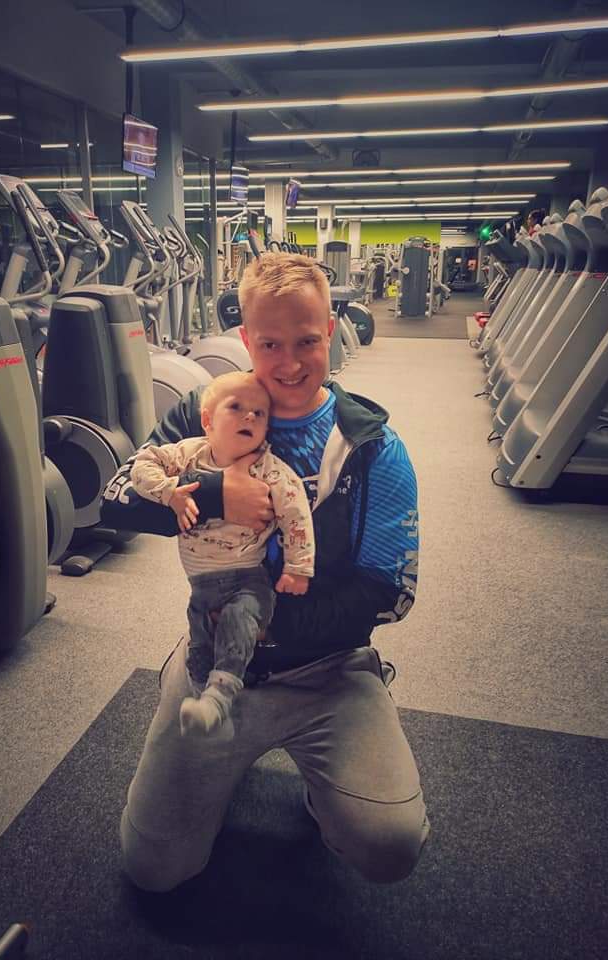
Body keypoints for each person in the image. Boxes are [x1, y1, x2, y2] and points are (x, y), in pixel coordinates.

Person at [101, 252, 429, 890]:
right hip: (213, 661)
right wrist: (216, 494)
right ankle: (203, 715)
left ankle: (326, 786)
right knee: (154, 870)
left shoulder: (373, 447)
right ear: (246, 340)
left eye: (306, 341)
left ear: (330, 331)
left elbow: (389, 593)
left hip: (328, 671)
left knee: (390, 845)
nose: (289, 362)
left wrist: (262, 626)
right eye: (270, 344)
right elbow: (115, 500)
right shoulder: (204, 411)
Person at [128, 371, 314, 739]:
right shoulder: (188, 454)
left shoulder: (269, 468)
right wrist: (171, 492)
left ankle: (219, 698)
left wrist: (298, 567)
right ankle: (209, 708)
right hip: (200, 583)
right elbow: (141, 465)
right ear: (207, 420)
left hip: (248, 577)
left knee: (238, 623)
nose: (250, 416)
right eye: (237, 407)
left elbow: (296, 513)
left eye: (260, 413)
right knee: (200, 643)